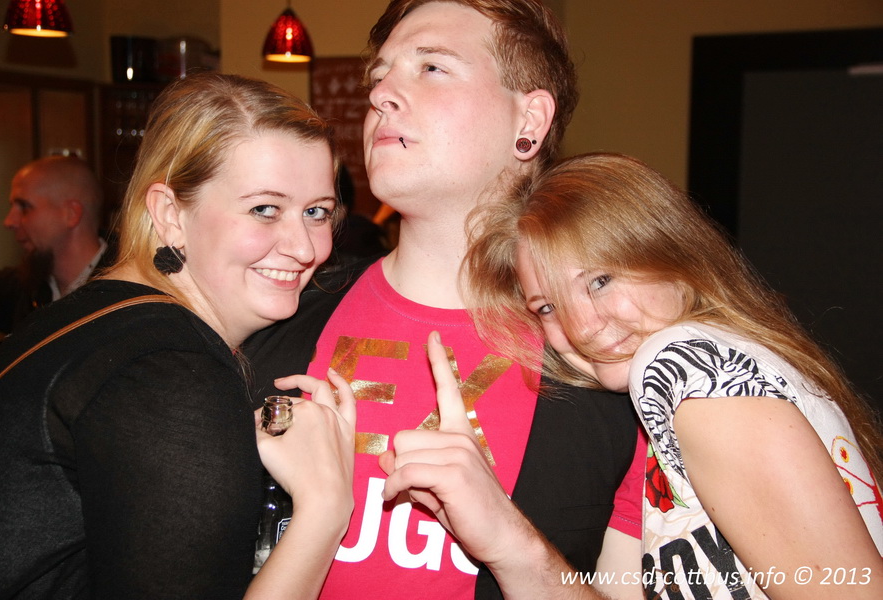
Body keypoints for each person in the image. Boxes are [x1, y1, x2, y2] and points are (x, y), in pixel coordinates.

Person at [245, 1, 645, 598]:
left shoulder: (611, 360)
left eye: (431, 68)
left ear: (529, 120)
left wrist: (511, 543)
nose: (380, 95)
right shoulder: (277, 313)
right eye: (379, 76)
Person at [0, 72, 356, 599]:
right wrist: (326, 506)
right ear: (169, 213)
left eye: (316, 212)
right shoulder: (168, 371)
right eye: (264, 209)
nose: (304, 247)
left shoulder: (106, 318)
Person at [463, 152, 883, 598]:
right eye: (548, 307)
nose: (581, 327)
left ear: (674, 255)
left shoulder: (681, 366)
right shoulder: (675, 402)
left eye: (601, 280)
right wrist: (508, 541)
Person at [0, 155, 114, 334]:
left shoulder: (126, 294)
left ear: (71, 214)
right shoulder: (27, 288)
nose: (9, 222)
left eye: (24, 207)